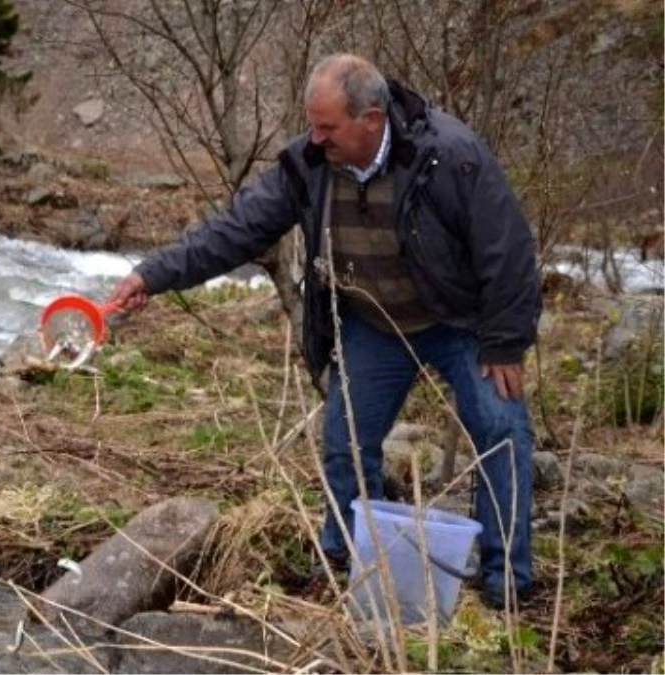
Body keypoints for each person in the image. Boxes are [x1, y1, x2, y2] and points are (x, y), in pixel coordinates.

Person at [106, 54, 539, 610]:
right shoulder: (309, 163)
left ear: (373, 120)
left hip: (459, 322)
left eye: (328, 127)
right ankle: (340, 562)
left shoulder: (448, 156)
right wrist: (153, 274)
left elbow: (508, 248)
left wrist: (505, 341)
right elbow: (236, 230)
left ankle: (508, 584)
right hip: (375, 325)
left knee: (501, 430)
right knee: (344, 443)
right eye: (313, 125)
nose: (316, 138)